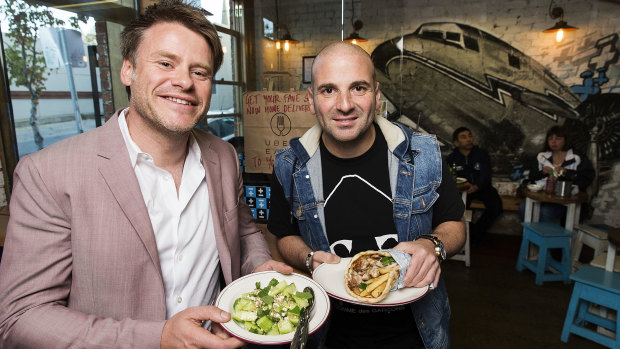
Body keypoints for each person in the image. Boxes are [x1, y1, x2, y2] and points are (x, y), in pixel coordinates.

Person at [0, 1, 291, 347]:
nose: (184, 81)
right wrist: (158, 338)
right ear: (128, 70)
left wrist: (258, 266)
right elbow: (21, 319)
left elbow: (243, 233)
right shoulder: (47, 174)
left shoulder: (224, 157)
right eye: (166, 63)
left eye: (200, 72)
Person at [267, 42, 466, 349]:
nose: (344, 104)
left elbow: (454, 225)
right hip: (328, 332)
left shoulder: (423, 153)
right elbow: (283, 236)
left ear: (376, 94)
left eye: (357, 88)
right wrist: (307, 257)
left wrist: (433, 245)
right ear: (311, 100)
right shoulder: (288, 165)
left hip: (414, 331)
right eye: (328, 90)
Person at [522, 125, 595, 223]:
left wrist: (567, 173)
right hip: (543, 198)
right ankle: (535, 236)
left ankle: (548, 237)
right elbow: (532, 177)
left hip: (566, 201)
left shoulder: (576, 157)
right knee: (523, 207)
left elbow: (587, 178)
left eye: (558, 138)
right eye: (550, 138)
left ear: (566, 140)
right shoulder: (542, 156)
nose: (553, 141)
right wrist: (542, 172)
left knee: (546, 211)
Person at [446, 127, 503, 243]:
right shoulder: (452, 158)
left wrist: (476, 186)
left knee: (496, 207)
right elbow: (449, 178)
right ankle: (465, 236)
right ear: (456, 143)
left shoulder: (481, 154)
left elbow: (486, 174)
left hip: (482, 188)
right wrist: (462, 187)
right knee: (459, 210)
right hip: (462, 190)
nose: (468, 139)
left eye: (470, 136)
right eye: (464, 137)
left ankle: (475, 234)